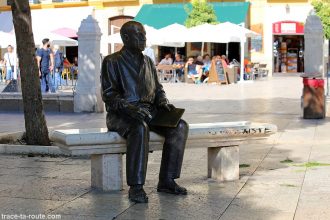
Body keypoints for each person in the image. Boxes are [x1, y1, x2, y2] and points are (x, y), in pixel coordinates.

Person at [101, 21, 188, 203]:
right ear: (125, 38)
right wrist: (129, 108)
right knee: (139, 128)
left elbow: (157, 88)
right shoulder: (112, 61)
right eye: (139, 35)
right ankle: (136, 186)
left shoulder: (148, 61)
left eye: (144, 35)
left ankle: (167, 180)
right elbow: (109, 95)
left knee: (179, 126)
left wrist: (163, 101)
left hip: (149, 111)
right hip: (122, 114)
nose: (144, 38)